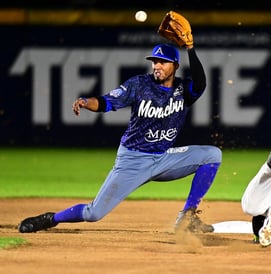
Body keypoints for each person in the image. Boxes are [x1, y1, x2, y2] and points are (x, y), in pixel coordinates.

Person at [18, 42, 221, 234]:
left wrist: (190, 48)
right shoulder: (139, 84)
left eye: (162, 62)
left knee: (212, 155)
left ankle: (187, 217)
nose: (157, 66)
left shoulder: (183, 89)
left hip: (163, 158)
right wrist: (86, 101)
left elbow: (201, 83)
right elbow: (107, 102)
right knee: (93, 213)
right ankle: (50, 219)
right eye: (154, 61)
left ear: (175, 65)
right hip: (133, 160)